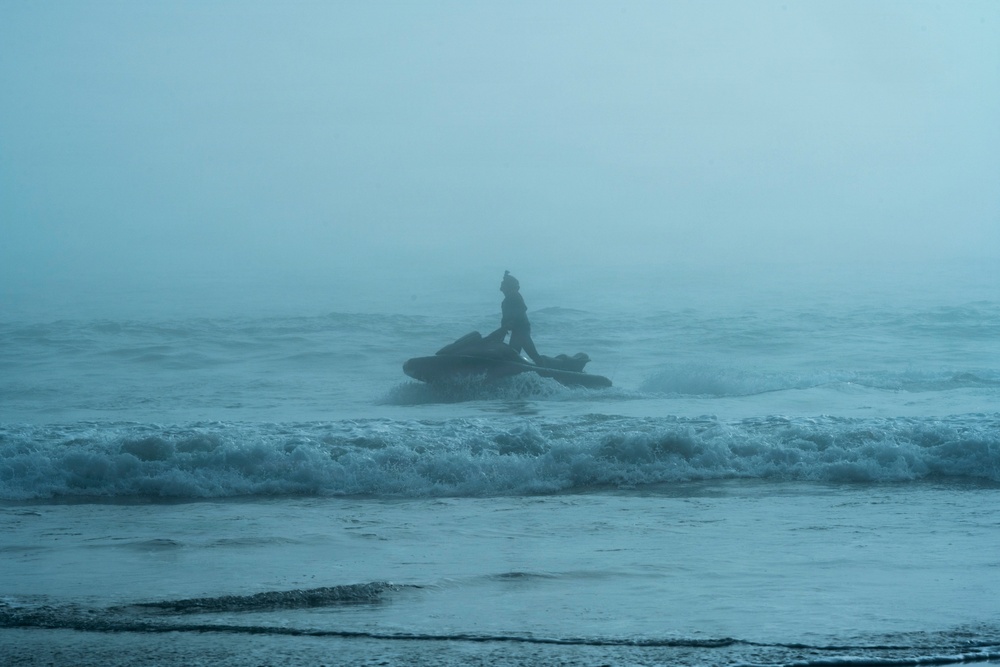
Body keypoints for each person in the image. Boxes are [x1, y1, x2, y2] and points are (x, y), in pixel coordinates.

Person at [488, 270, 544, 365]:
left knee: (530, 354)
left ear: (508, 287)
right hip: (517, 331)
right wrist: (504, 328)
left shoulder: (514, 296)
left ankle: (546, 370)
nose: (501, 288)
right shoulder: (507, 299)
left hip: (521, 330)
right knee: (513, 355)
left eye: (503, 285)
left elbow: (521, 310)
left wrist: (512, 322)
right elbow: (506, 317)